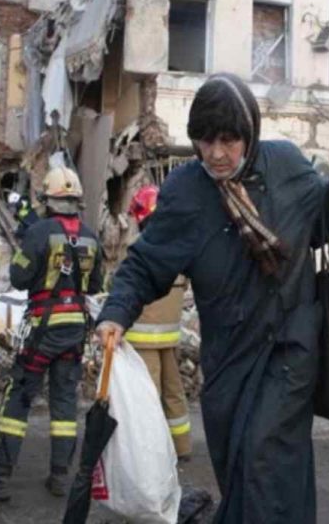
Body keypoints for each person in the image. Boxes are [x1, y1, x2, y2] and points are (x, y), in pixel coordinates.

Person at [93, 73, 329, 523]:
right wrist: (115, 314)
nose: (217, 154)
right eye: (205, 141)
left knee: (267, 461)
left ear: (251, 135)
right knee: (240, 467)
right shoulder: (186, 191)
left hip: (289, 349)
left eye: (228, 140)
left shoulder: (285, 165)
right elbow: (147, 264)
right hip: (229, 358)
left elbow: (319, 224)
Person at [0, 166, 103, 501]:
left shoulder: (39, 232)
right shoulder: (91, 236)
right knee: (64, 403)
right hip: (75, 330)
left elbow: (19, 278)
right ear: (76, 200)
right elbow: (95, 286)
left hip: (42, 330)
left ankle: (0, 479)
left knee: (19, 399)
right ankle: (60, 478)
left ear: (47, 199)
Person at [125, 184, 192, 459]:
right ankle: (182, 447)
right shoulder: (179, 251)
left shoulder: (141, 250)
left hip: (143, 340)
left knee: (148, 397)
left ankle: (151, 454)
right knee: (174, 392)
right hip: (170, 337)